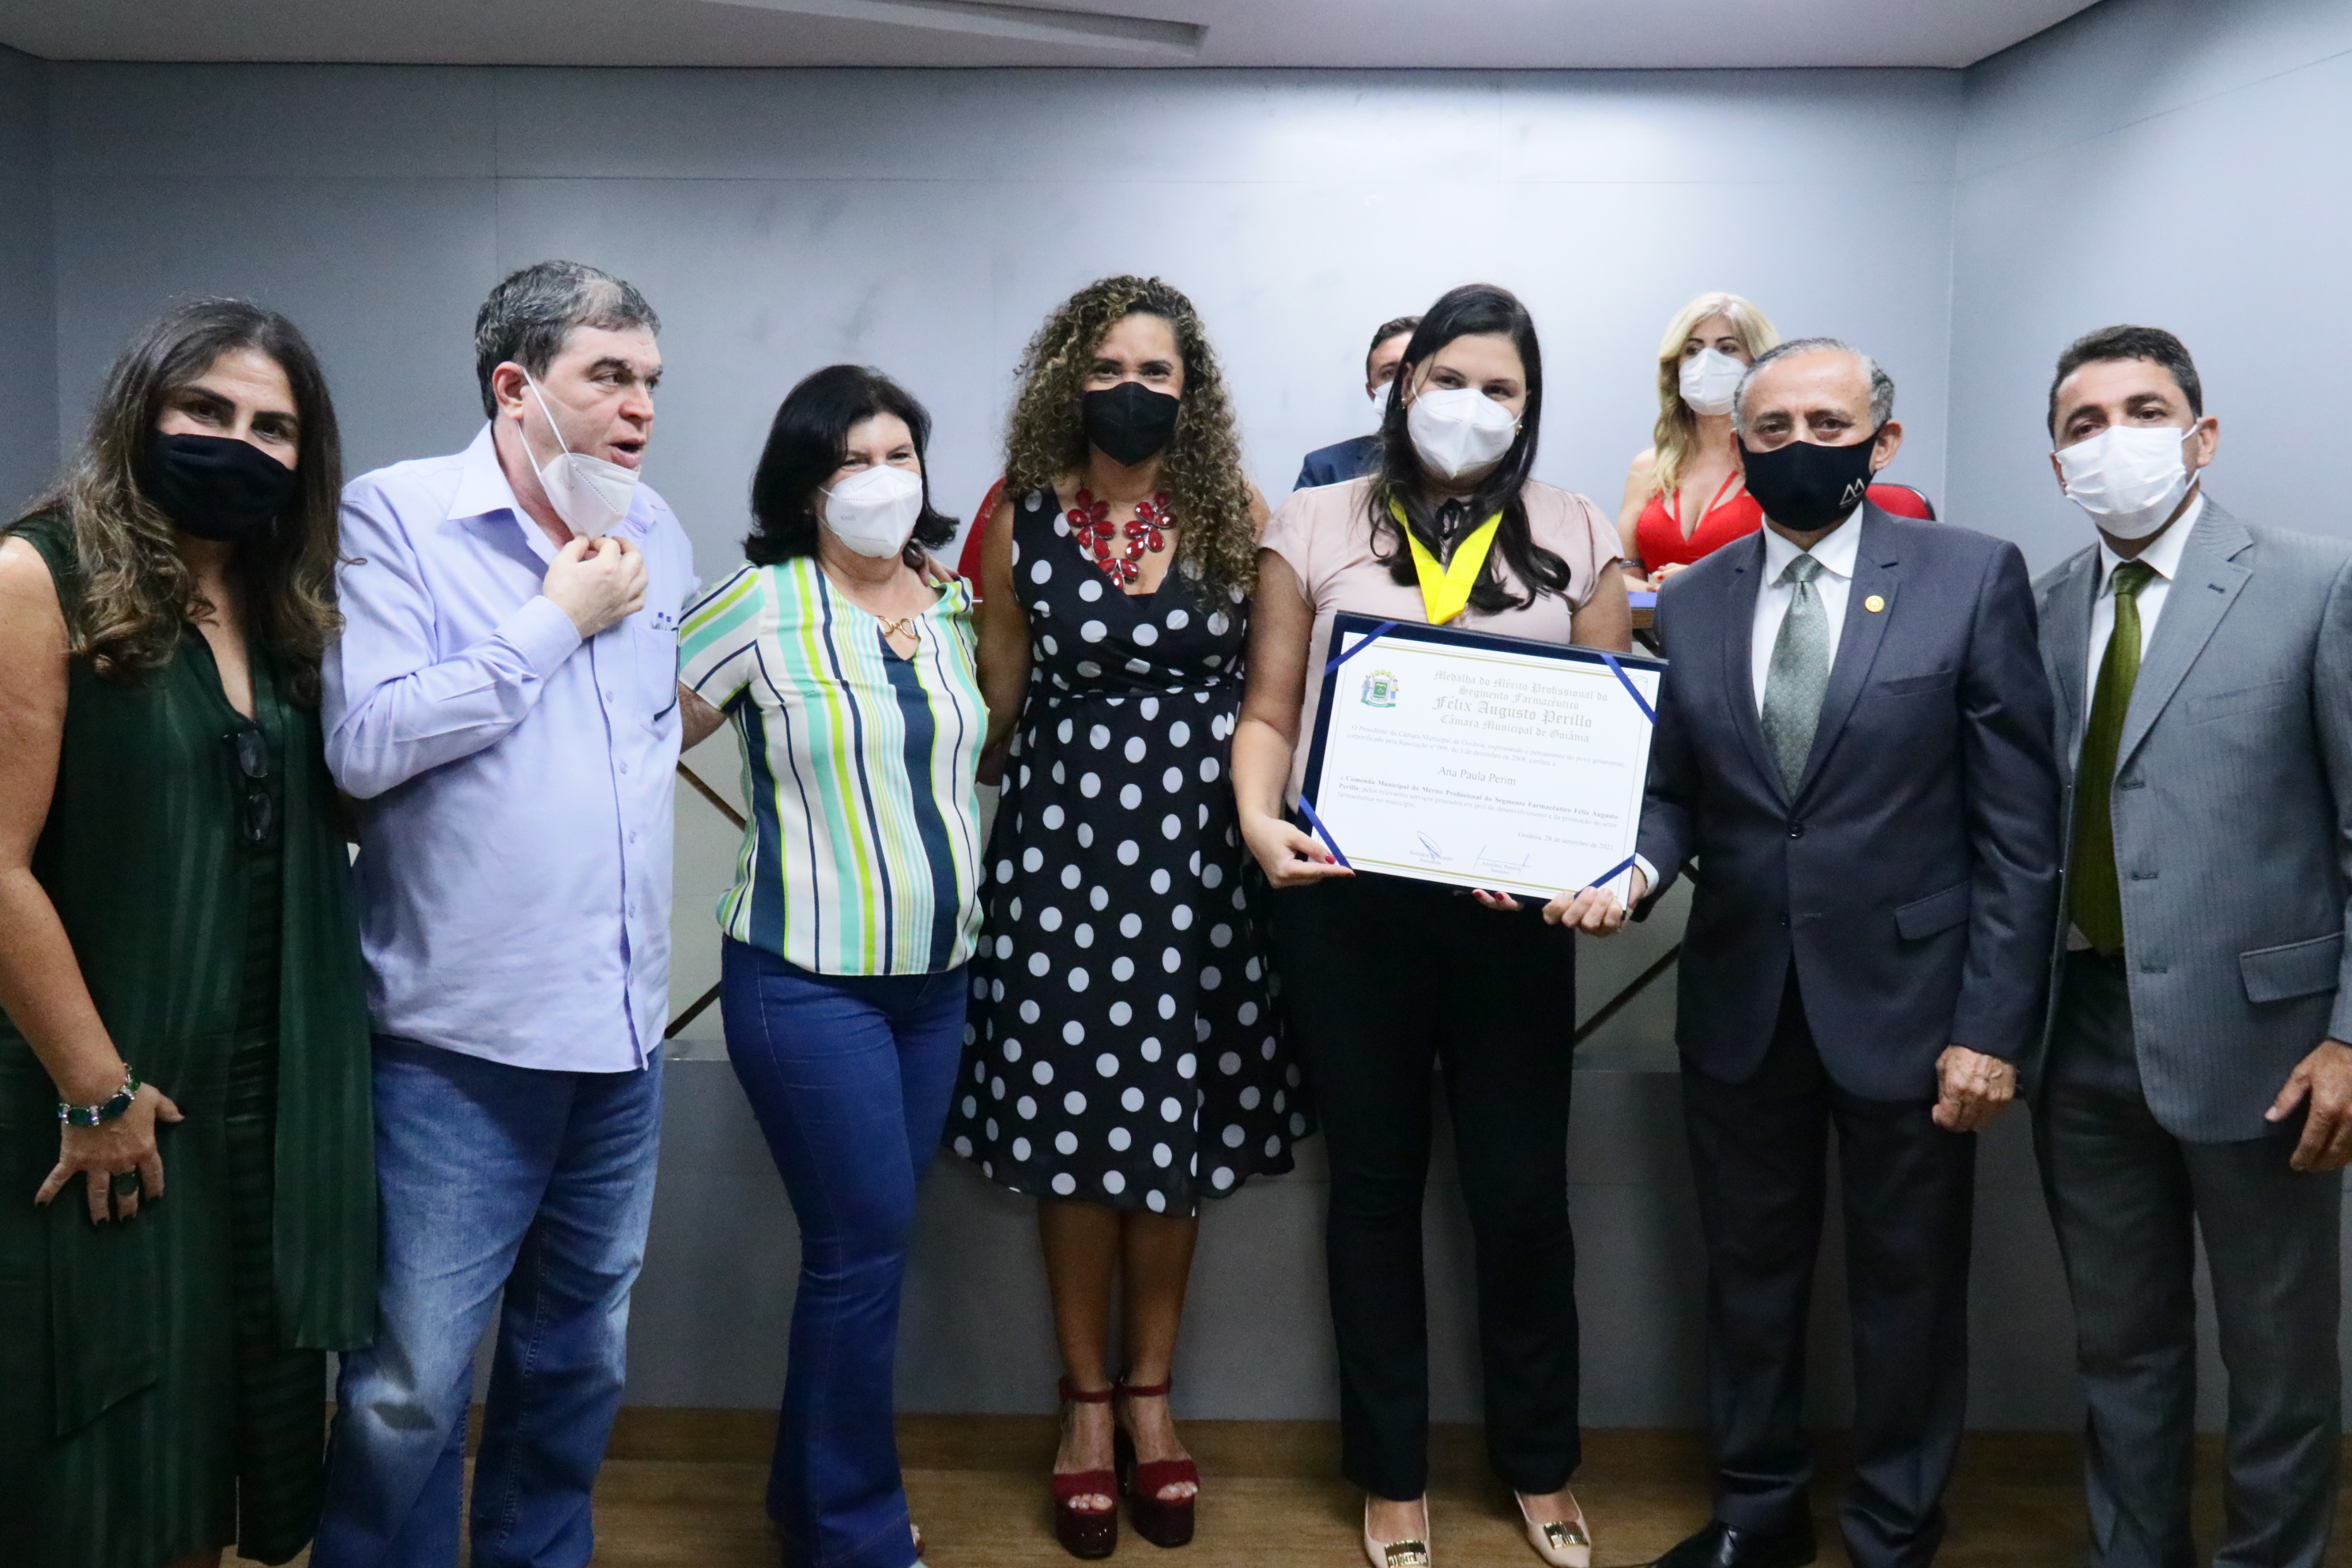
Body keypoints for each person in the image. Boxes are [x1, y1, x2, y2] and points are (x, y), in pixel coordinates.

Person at [1620, 338, 2059, 1568]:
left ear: (1883, 440)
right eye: (1774, 429)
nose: (1800, 446)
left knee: (1908, 1286)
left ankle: (1893, 1527)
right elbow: (1673, 796)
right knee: (1747, 1278)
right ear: (1739, 444)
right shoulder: (1693, 600)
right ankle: (1756, 1511)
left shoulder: (1970, 577)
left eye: (1828, 424)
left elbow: (2020, 833)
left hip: (1916, 1010)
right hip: (1742, 999)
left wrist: (1990, 1028)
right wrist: (1634, 872)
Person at [1234, 282, 1632, 1568]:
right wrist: (1258, 822)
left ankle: (1541, 1462)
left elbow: (1615, 734)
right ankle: (1392, 1472)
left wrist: (1592, 865)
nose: (1472, 404)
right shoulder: (1313, 518)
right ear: (1406, 386)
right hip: (1347, 908)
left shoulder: (1579, 527)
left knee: (1520, 1198)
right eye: (1449, 379)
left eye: (1500, 387)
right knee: (1373, 1192)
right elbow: (1268, 709)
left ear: (1530, 404)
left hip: (1513, 919)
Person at [311, 261, 698, 1567]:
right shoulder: (398, 515)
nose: (641, 406)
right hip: (454, 1045)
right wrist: (551, 621)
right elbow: (364, 743)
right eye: (609, 376)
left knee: (577, 1359)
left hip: (621, 1040)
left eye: (651, 380)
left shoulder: (660, 531)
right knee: (410, 1385)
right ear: (515, 387)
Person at [0, 300, 375, 1568]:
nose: (238, 443)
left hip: (267, 1110)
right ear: (139, 413)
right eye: (205, 410)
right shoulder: (39, 577)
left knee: (218, 1467)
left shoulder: (286, 609)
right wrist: (94, 1087)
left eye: (273, 427)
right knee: (104, 1460)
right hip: (110, 1097)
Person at [945, 274, 1305, 1559]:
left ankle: (1153, 1395)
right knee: (1072, 1130)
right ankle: (1086, 1404)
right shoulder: (1021, 517)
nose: (1132, 390)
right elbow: (992, 710)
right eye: (1108, 368)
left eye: (1157, 371)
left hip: (1201, 864)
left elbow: (1272, 697)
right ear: (1068, 379)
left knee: (1171, 1136)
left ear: (1190, 391)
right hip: (1060, 860)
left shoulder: (1236, 512)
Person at [2029, 326, 2352, 1568]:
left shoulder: (2314, 584)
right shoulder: (2043, 609)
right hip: (2080, 1033)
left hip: (2268, 1046)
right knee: (2120, 1346)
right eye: (2085, 424)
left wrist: (2347, 1036)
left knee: (2277, 1355)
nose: (2115, 440)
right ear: (2058, 462)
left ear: (2202, 436)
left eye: (2145, 411)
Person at [675, 365, 982, 1568]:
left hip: (937, 987)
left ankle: (807, 1502)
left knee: (869, 1251)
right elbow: (624, 732)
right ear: (807, 485)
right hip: (806, 981)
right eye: (853, 460)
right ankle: (855, 1536)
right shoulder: (758, 604)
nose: (881, 479)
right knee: (861, 1249)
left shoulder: (954, 604)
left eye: (900, 455)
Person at [1615, 294, 1936, 592]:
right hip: (1658, 625)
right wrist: (1665, 594)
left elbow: (1813, 567)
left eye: (1727, 348)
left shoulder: (1783, 461)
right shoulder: (1650, 466)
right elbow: (1622, 571)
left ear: (1758, 363)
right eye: (1692, 349)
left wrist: (1701, 582)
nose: (1706, 361)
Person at [1294, 315, 1421, 491]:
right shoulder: (1326, 470)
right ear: (1372, 392)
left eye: (1418, 368)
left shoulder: (1461, 464)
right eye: (1389, 373)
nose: (1405, 382)